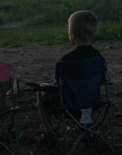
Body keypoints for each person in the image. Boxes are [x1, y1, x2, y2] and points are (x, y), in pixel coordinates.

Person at [37, 10, 103, 141]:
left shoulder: (67, 61)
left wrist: (46, 87)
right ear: (93, 34)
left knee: (41, 91)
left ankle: (49, 133)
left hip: (69, 106)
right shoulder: (98, 58)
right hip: (93, 103)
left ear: (72, 34)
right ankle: (86, 125)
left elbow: (58, 86)